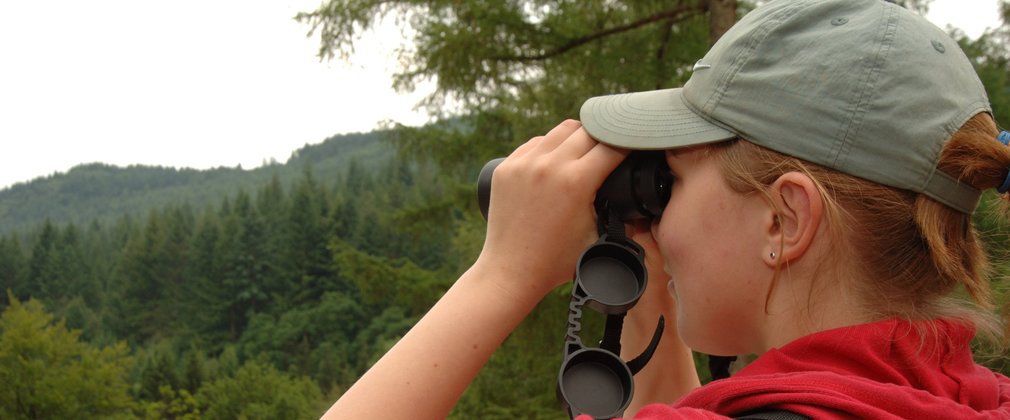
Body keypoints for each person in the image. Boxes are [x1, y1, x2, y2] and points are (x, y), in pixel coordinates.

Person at [322, 0, 1010, 418]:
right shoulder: (977, 400)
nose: (659, 210)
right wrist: (651, 286)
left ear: (785, 220)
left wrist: (503, 274)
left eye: (672, 177)